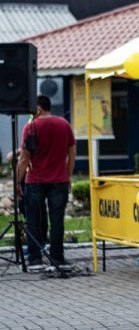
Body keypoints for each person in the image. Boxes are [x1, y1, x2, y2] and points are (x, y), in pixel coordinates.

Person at [15, 95, 76, 269]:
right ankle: (57, 258)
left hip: (35, 181)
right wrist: (68, 176)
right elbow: (72, 154)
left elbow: (24, 159)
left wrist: (17, 181)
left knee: (34, 220)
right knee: (57, 221)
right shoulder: (65, 124)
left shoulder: (31, 126)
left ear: (39, 108)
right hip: (59, 180)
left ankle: (35, 259)